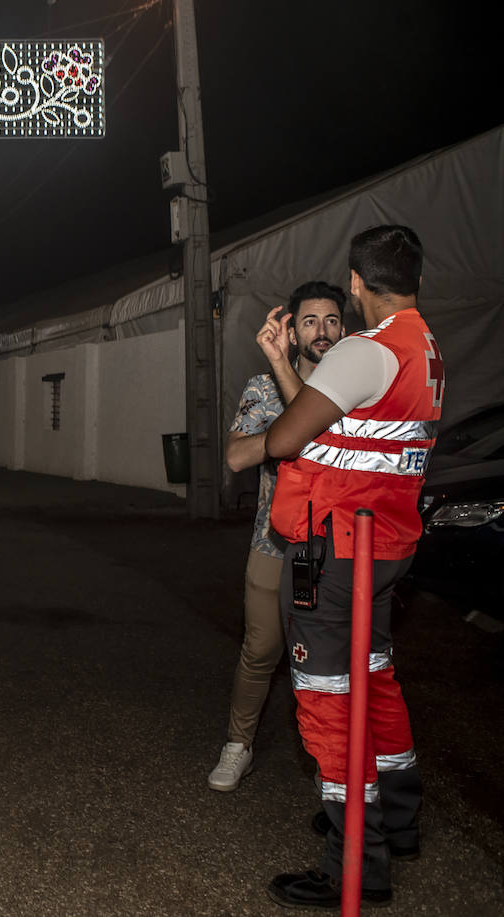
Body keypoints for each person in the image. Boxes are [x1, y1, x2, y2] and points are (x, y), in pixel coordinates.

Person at [264, 226, 440, 908]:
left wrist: (256, 447)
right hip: (387, 544)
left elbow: (286, 436)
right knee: (376, 678)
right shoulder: (427, 347)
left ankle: (355, 864)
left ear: (358, 283)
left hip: (337, 548)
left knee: (328, 700)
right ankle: (398, 823)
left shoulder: (364, 352)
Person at [208, 282, 346, 791]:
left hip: (324, 552)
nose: (321, 331)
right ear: (291, 330)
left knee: (321, 658)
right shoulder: (262, 389)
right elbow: (236, 456)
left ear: (344, 330)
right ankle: (238, 745)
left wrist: (293, 433)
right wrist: (291, 434)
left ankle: (328, 761)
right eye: (309, 321)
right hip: (273, 545)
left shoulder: (350, 393)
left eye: (331, 320)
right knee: (261, 649)